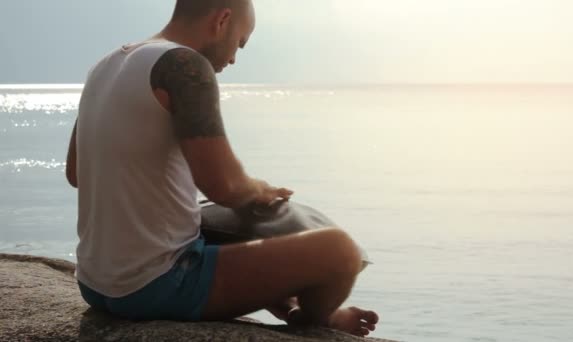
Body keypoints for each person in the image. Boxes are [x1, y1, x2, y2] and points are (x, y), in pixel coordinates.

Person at [65, 0, 379, 337]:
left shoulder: (106, 65)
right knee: (340, 252)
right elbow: (224, 186)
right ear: (223, 20)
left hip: (95, 284)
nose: (233, 58)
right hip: (156, 285)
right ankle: (317, 318)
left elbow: (76, 173)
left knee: (217, 226)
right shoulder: (184, 64)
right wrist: (261, 189)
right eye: (240, 43)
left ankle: (289, 307)